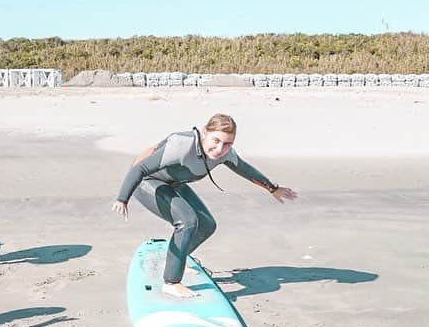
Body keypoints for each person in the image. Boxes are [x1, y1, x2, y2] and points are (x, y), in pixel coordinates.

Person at [112, 113, 297, 298]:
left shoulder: (225, 154)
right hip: (146, 182)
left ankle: (175, 261)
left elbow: (246, 170)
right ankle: (171, 282)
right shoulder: (182, 144)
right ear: (204, 132)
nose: (219, 149)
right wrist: (122, 198)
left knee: (207, 225)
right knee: (187, 221)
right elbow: (140, 169)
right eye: (215, 140)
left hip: (174, 183)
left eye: (227, 144)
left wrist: (273, 188)